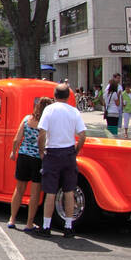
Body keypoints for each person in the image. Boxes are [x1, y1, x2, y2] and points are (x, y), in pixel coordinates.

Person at [38, 83, 87, 237]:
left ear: (54, 95)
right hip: (69, 152)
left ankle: (46, 226)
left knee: (50, 192)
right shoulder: (74, 111)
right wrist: (76, 150)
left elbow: (42, 133)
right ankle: (68, 225)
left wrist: (41, 151)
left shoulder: (49, 110)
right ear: (68, 96)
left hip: (52, 152)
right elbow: (83, 135)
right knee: (69, 191)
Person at [8, 96, 52, 229]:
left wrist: (13, 152)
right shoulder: (46, 122)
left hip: (23, 156)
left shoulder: (27, 119)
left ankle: (12, 219)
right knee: (35, 192)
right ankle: (29, 223)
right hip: (37, 158)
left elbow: (17, 138)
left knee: (19, 189)